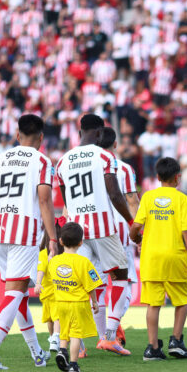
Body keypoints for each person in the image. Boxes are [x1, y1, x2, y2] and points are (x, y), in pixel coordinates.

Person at [0, 113, 58, 370]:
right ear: (41, 138)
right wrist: (53, 237)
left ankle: (37, 353)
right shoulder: (42, 161)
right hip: (25, 234)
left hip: (0, 233)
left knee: (19, 294)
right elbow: (44, 200)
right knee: (14, 293)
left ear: (17, 135)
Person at [56, 114, 133, 356]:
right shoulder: (104, 156)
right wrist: (131, 221)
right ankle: (109, 336)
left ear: (79, 133)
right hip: (102, 228)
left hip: (77, 231)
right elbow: (115, 194)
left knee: (80, 283)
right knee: (120, 276)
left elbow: (67, 200)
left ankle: (74, 344)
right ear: (99, 133)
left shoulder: (62, 161)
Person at [130, 157, 187, 360]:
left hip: (151, 257)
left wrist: (136, 238)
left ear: (157, 177)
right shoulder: (182, 199)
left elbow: (136, 226)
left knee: (153, 304)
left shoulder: (148, 197)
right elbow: (186, 231)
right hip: (175, 255)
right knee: (182, 300)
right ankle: (176, 341)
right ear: (178, 177)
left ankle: (153, 348)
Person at [97, 126, 140, 347]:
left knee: (97, 285)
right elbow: (132, 200)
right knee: (125, 282)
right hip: (120, 233)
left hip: (93, 232)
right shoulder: (124, 169)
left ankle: (94, 337)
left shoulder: (87, 165)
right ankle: (112, 328)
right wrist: (138, 230)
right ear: (115, 144)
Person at [43, 222, 102, 372]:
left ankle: (62, 350)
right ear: (81, 242)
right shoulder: (84, 262)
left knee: (64, 331)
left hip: (60, 303)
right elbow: (92, 285)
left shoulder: (54, 262)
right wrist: (95, 302)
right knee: (76, 334)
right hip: (78, 303)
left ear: (61, 241)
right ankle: (74, 364)